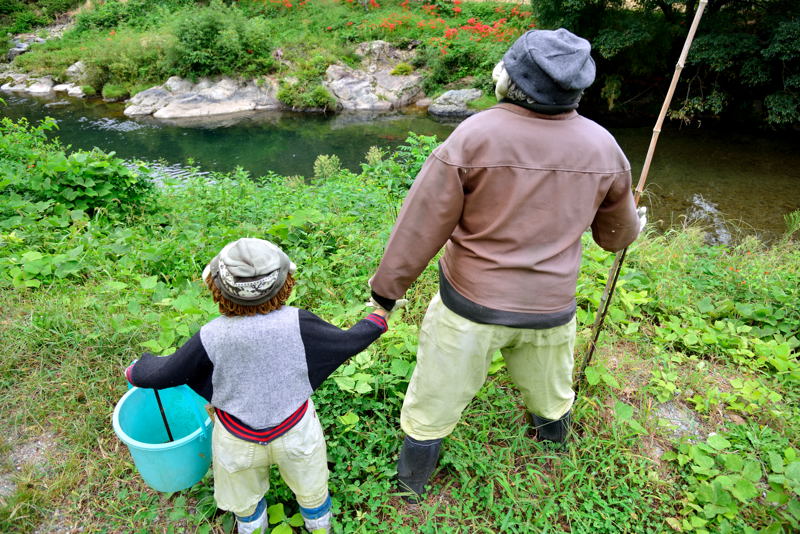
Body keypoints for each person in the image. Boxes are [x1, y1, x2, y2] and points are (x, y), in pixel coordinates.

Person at [368, 28, 646, 502]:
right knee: (552, 395)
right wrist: (634, 221)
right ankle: (552, 461)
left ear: (512, 78)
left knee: (434, 400)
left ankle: (411, 486)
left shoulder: (474, 136)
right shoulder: (604, 146)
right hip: (552, 310)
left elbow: (420, 226)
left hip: (470, 308)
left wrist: (385, 293)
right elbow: (613, 238)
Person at [126, 238, 389, 534]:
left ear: (214, 286)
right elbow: (347, 342)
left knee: (244, 501)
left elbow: (167, 372)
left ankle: (253, 527)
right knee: (312, 488)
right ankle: (319, 527)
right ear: (286, 282)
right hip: (296, 430)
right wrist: (379, 316)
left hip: (236, 438)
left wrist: (136, 371)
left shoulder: (210, 335)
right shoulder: (298, 322)